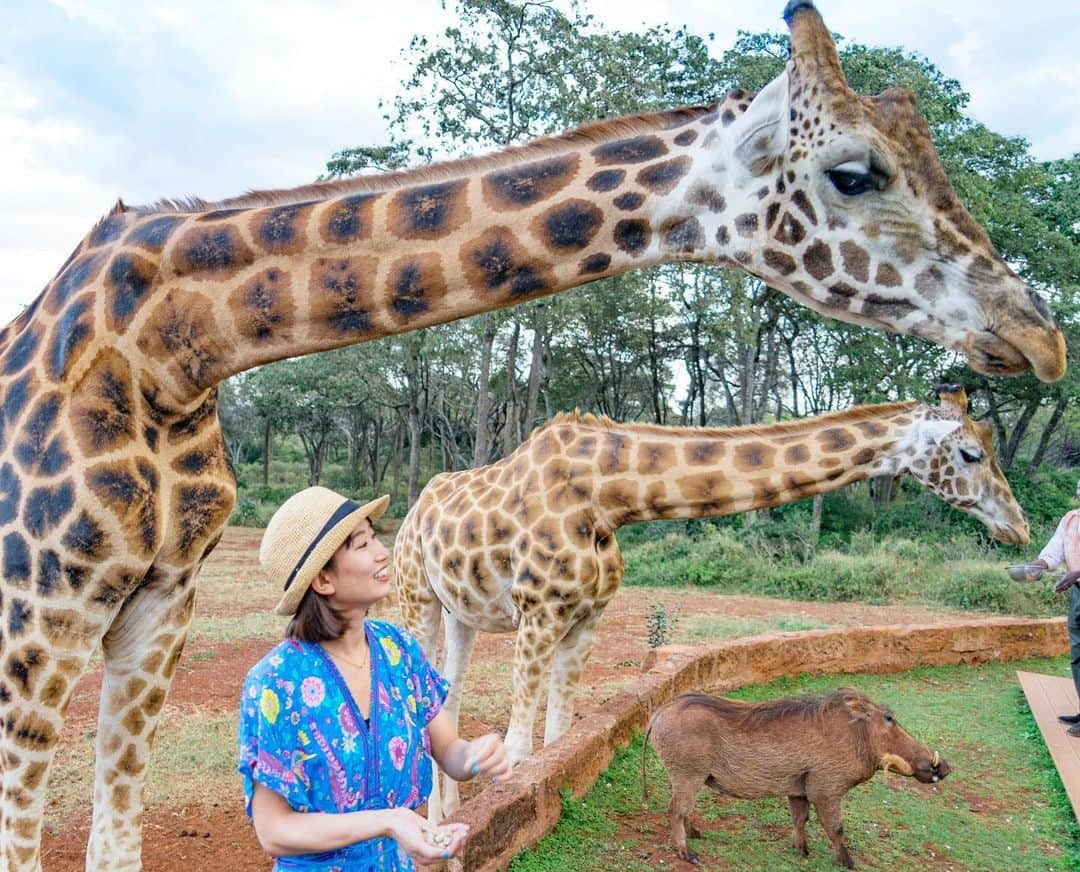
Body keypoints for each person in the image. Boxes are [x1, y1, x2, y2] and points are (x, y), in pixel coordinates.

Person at [238, 486, 510, 870]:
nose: (383, 551)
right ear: (323, 581)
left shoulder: (400, 650)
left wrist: (474, 755)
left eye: (375, 537)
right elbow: (274, 830)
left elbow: (448, 750)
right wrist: (388, 820)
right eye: (362, 544)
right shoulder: (274, 684)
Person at [1028, 477, 1080, 735]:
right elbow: (1054, 551)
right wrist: (1039, 565)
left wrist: (1076, 573)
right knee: (1078, 653)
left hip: (1076, 583)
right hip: (1078, 595)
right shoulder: (1071, 519)